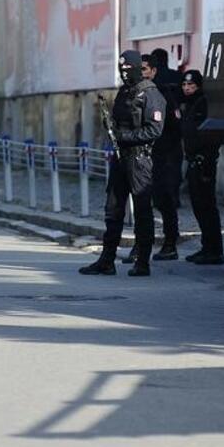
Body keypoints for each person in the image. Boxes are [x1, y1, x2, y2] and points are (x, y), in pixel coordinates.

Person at [79, 50, 165, 278]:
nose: (125, 73)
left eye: (129, 69)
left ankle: (142, 261)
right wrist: (111, 128)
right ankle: (107, 260)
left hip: (139, 159)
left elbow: (154, 130)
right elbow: (118, 122)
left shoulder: (150, 94)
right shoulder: (124, 92)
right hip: (120, 158)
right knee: (113, 209)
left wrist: (123, 136)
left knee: (142, 212)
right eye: (122, 69)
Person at [125, 52, 183, 263]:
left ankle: (170, 243)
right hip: (142, 155)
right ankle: (140, 246)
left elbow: (174, 127)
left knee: (164, 200)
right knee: (142, 203)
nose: (140, 73)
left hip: (164, 155)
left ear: (153, 71)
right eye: (138, 69)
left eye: (144, 69)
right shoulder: (132, 92)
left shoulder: (162, 93)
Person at [179, 70, 224, 264]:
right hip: (193, 160)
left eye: (191, 85)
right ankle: (207, 247)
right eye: (185, 85)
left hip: (203, 162)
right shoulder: (189, 104)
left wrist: (205, 157)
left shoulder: (204, 103)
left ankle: (215, 251)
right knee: (199, 206)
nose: (187, 88)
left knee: (207, 206)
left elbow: (211, 135)